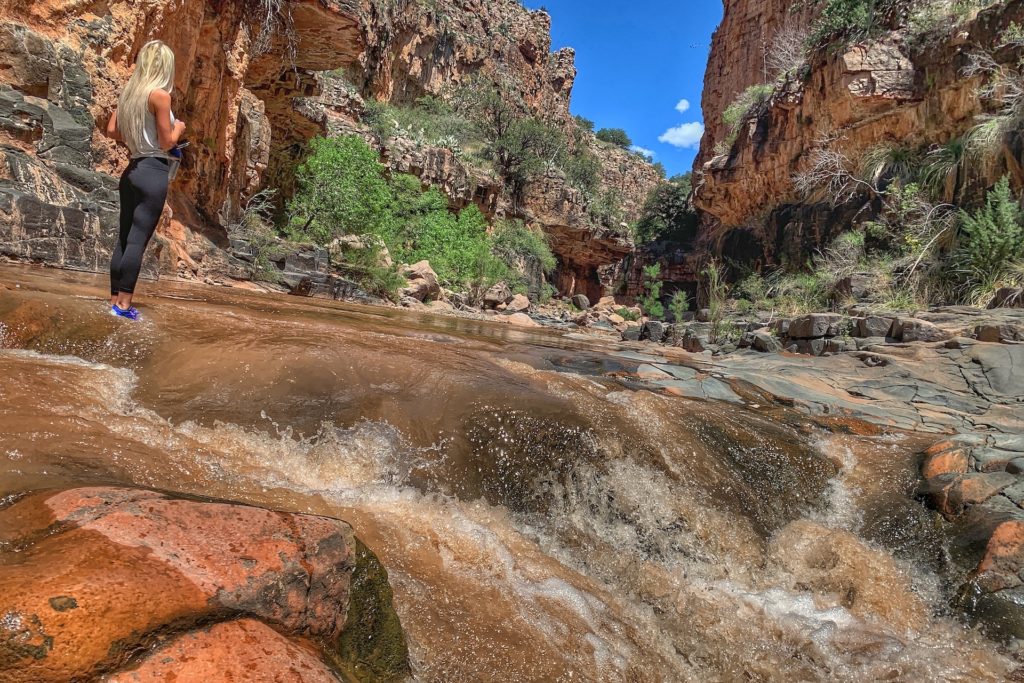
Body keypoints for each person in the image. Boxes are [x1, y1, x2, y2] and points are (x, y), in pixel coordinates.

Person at [104, 40, 186, 320]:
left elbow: (112, 130)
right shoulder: (160, 96)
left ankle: (114, 300)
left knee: (124, 239)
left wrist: (139, 137)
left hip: (132, 169)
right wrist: (179, 129)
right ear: (165, 67)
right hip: (153, 171)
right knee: (138, 241)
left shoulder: (129, 93)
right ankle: (124, 306)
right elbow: (166, 142)